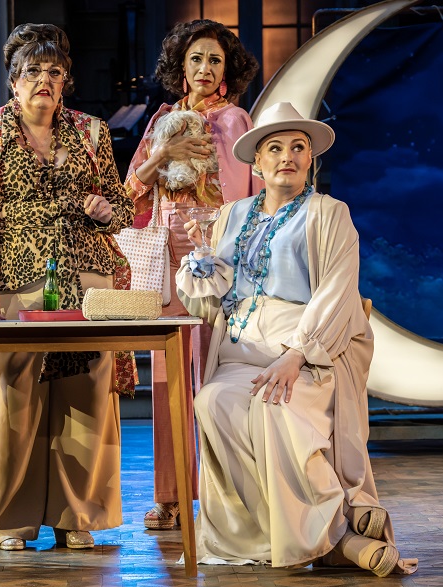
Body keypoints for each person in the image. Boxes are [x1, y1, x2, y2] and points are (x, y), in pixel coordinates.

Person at [176, 102, 417, 576]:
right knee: (212, 403)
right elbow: (211, 300)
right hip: (238, 351)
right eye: (275, 148)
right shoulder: (230, 215)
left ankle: (335, 538)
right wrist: (200, 265)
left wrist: (296, 355)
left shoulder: (329, 213)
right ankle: (277, 535)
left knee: (274, 406)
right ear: (257, 162)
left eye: (298, 147)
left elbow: (338, 291)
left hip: (306, 350)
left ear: (310, 159)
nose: (287, 156)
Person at [0, 23, 134, 552]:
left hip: (86, 281)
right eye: (33, 72)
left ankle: (77, 517)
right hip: (17, 282)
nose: (44, 81)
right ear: (14, 81)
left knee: (85, 398)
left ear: (66, 81)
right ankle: (10, 521)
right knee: (18, 399)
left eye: (54, 72)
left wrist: (107, 210)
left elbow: (122, 207)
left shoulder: (91, 132)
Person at [124, 19, 263, 530]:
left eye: (215, 60)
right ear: (181, 67)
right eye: (196, 58)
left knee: (217, 379)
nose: (205, 68)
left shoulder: (235, 119)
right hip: (166, 262)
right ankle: (172, 496)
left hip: (218, 261)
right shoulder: (161, 119)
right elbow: (129, 190)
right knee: (167, 385)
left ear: (227, 72)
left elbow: (249, 196)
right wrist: (163, 154)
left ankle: (226, 499)